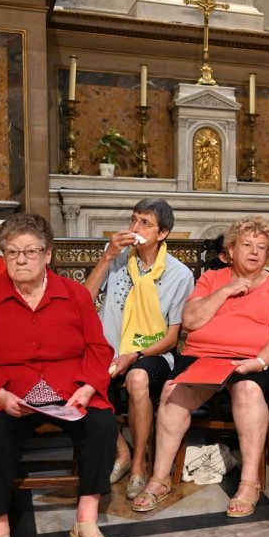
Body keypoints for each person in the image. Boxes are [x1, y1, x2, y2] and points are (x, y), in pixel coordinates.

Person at [0, 213, 117, 537]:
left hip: (68, 389)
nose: (21, 260)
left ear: (48, 255)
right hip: (8, 391)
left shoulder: (74, 294)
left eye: (30, 251)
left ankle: (86, 522)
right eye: (12, 252)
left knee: (103, 425)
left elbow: (99, 347)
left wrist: (88, 387)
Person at [133, 216, 269, 517]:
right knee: (172, 392)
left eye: (261, 247)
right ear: (231, 250)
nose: (254, 251)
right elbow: (190, 322)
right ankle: (159, 479)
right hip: (203, 357)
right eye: (246, 245)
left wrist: (258, 362)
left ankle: (249, 483)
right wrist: (226, 290)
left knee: (247, 390)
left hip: (256, 360)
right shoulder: (211, 279)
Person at [84, 199, 194, 500]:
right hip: (109, 349)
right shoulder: (119, 260)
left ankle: (138, 464)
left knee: (137, 379)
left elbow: (173, 337)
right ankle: (121, 450)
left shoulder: (179, 274)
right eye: (133, 220)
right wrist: (107, 256)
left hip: (152, 353)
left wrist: (134, 356)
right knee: (81, 381)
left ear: (163, 233)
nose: (135, 228)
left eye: (145, 223)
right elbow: (83, 300)